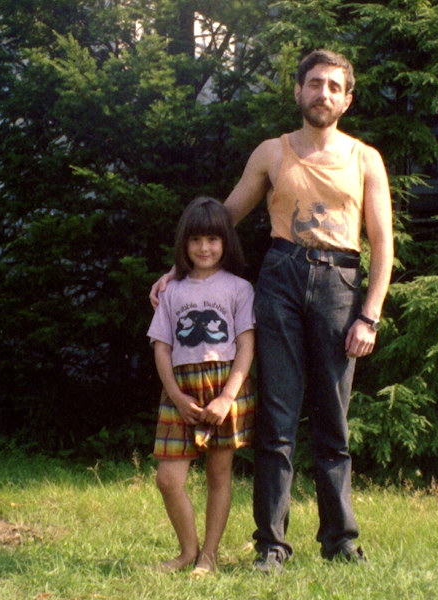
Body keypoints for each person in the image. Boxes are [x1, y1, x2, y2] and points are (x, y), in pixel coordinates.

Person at [151, 50, 393, 572]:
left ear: (347, 100)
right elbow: (222, 219)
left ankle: (340, 541)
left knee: (333, 423)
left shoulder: (365, 159)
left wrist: (369, 315)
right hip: (281, 280)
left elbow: (382, 243)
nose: (323, 93)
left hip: (340, 285)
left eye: (334, 87)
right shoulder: (271, 152)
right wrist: (176, 271)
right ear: (298, 91)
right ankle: (271, 546)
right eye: (315, 83)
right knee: (277, 422)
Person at [147, 196, 257, 577]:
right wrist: (176, 396)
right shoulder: (171, 291)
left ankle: (209, 556)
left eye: (212, 239)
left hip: (225, 388)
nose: (204, 248)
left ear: (225, 241)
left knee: (218, 475)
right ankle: (187, 551)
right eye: (195, 240)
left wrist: (227, 396)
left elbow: (246, 345)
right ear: (184, 243)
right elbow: (162, 348)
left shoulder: (239, 289)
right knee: (168, 479)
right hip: (180, 391)